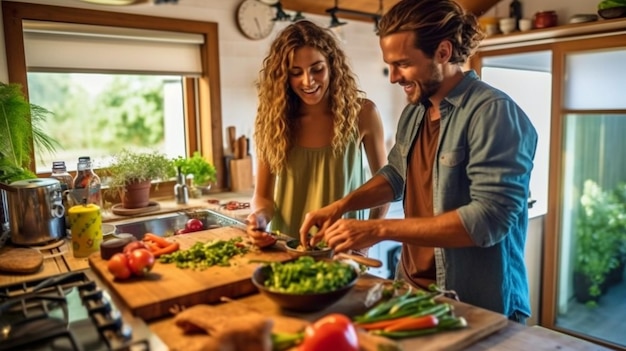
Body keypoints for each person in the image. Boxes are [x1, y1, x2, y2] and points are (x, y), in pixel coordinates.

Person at [299, 0, 538, 323]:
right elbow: (396, 175)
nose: (394, 77)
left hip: (476, 308)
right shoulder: (416, 111)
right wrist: (341, 205)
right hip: (411, 293)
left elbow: (488, 221)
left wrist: (379, 228)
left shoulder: (492, 113)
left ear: (442, 52)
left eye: (403, 64)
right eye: (390, 64)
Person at [246, 20, 389, 253]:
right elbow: (262, 197)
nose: (308, 81)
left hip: (345, 250)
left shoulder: (363, 114)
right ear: (284, 76)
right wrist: (259, 219)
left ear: (332, 65)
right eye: (296, 72)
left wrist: (366, 241)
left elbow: (384, 187)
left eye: (317, 69)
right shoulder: (273, 121)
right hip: (290, 249)